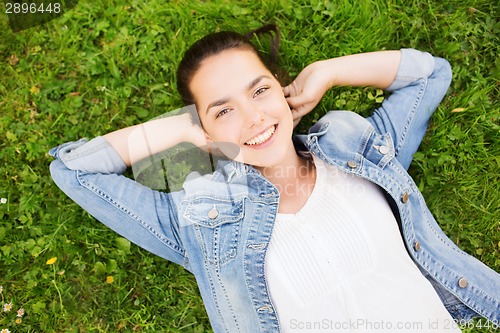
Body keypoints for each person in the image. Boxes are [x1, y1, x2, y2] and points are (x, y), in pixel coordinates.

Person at [49, 24, 499, 332]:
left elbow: (429, 75)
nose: (252, 118)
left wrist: (329, 72)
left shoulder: (357, 149)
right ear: (205, 128)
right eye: (223, 110)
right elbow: (73, 170)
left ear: (282, 89)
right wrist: (180, 131)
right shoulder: (199, 223)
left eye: (260, 90)